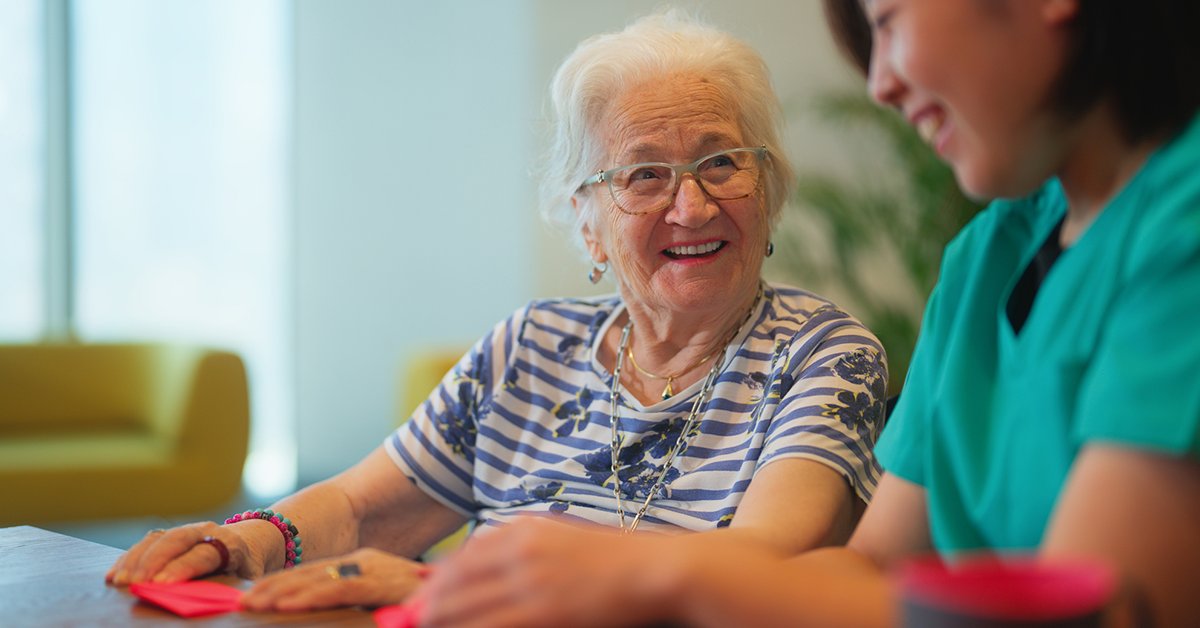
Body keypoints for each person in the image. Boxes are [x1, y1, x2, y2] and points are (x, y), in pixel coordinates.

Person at [410, 0, 1200, 627]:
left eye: (887, 22)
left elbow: (1098, 613)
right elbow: (872, 565)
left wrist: (652, 573)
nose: (881, 83)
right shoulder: (983, 260)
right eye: (645, 176)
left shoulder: (1182, 221)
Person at [105, 9, 888, 613]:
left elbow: (768, 563)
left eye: (721, 162)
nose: (692, 204)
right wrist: (242, 541)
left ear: (771, 190)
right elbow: (361, 510)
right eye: (644, 175)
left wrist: (437, 590)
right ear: (588, 223)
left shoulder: (824, 356)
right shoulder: (530, 346)